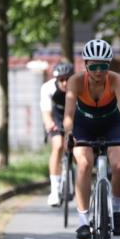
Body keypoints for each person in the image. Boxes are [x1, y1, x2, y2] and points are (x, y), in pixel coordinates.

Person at [62, 39, 120, 239]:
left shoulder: (115, 80)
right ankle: (83, 221)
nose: (98, 71)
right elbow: (69, 114)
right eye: (94, 66)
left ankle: (117, 210)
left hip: (110, 123)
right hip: (83, 125)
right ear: (85, 64)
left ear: (109, 66)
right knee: (84, 164)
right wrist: (68, 133)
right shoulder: (76, 81)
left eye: (103, 66)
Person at [42, 62, 75, 207]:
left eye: (68, 78)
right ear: (56, 79)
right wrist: (49, 123)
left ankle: (81, 181)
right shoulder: (48, 88)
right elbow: (46, 112)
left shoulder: (78, 87)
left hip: (74, 118)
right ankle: (54, 190)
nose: (65, 82)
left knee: (78, 149)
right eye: (61, 79)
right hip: (56, 118)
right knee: (58, 145)